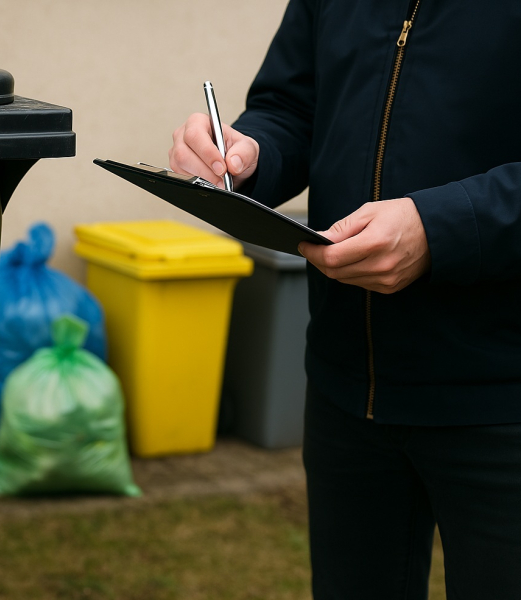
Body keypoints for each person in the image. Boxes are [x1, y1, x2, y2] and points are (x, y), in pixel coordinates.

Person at [168, 2, 521, 599]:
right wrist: (247, 156)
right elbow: (292, 108)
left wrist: (439, 229)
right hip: (347, 391)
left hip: (502, 400)